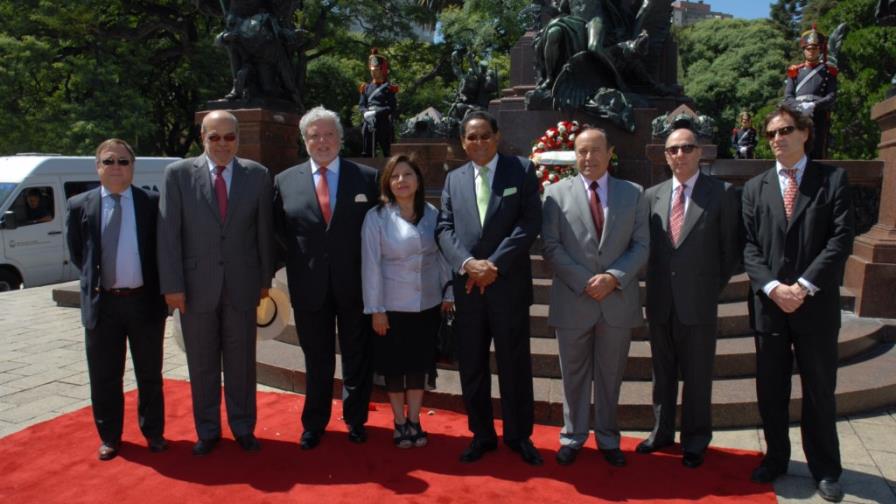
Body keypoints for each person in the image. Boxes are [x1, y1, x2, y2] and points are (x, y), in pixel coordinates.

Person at [742, 103, 854, 502]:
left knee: (819, 390)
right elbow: (749, 246)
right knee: (771, 389)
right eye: (771, 133)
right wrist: (774, 287)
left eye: (785, 130)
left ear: (805, 133)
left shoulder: (832, 180)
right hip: (770, 307)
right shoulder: (754, 188)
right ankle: (776, 459)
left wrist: (803, 286)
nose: (778, 138)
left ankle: (825, 469)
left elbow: (840, 240)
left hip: (815, 306)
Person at [157, 110, 275, 456]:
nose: (222, 144)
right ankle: (207, 430)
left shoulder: (258, 175)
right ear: (202, 138)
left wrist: (264, 280)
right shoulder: (178, 175)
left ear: (238, 138)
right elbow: (168, 234)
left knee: (242, 364)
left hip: (242, 286)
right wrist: (172, 285)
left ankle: (243, 427)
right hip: (195, 288)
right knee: (202, 363)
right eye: (214, 137)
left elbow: (264, 234)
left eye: (229, 137)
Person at [435, 110, 543, 466]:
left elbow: (530, 222)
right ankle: (481, 434)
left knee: (514, 364)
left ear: (497, 137)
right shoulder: (453, 179)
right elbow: (444, 228)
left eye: (485, 135)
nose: (478, 142)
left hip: (508, 285)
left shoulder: (521, 170)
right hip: (468, 289)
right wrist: (468, 264)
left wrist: (493, 264)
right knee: (472, 366)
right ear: (462, 142)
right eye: (471, 137)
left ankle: (519, 435)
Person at [541, 126, 648, 467]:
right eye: (582, 152)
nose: (588, 158)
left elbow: (641, 245)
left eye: (595, 150)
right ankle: (572, 436)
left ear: (610, 152)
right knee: (572, 375)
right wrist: (586, 281)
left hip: (617, 301)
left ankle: (607, 437)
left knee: (610, 376)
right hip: (574, 299)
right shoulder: (554, 194)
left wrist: (613, 278)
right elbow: (551, 246)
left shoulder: (634, 193)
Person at [273, 106, 379, 449]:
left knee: (357, 356)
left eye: (329, 134)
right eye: (314, 135)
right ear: (304, 141)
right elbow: (278, 233)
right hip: (308, 286)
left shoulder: (367, 178)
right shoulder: (284, 181)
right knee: (316, 359)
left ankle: (356, 419)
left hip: (356, 285)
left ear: (340, 138)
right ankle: (314, 423)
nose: (322, 141)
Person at [637, 128, 740, 468]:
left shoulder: (722, 194)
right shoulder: (650, 196)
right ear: (665, 156)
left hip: (699, 302)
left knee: (697, 377)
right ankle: (661, 432)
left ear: (700, 152)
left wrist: (708, 288)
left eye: (686, 148)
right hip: (660, 302)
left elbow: (730, 252)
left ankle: (695, 440)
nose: (679, 154)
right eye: (673, 149)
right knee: (662, 374)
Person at [64, 139, 168, 460]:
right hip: (103, 304)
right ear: (97, 166)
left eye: (123, 161)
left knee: (149, 374)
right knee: (105, 376)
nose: (116, 167)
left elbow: (160, 250)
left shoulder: (151, 202)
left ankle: (153, 432)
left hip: (143, 302)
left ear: (133, 167)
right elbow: (79, 253)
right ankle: (110, 436)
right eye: (109, 161)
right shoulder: (79, 205)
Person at [360, 155, 453, 448]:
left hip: (427, 305)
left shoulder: (432, 213)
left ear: (418, 180)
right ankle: (399, 421)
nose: (402, 181)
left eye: (408, 174)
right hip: (392, 306)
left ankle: (414, 419)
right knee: (394, 367)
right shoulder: (376, 217)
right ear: (387, 183)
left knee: (418, 366)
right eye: (395, 176)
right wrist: (376, 309)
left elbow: (442, 256)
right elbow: (370, 265)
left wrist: (448, 292)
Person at [784, 25, 837, 159]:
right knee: (796, 151)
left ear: (820, 50)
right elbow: (788, 97)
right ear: (804, 50)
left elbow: (831, 96)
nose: (811, 52)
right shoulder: (795, 71)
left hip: (818, 115)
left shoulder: (828, 71)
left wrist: (813, 105)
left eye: (814, 49)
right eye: (808, 49)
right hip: (797, 115)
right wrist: (799, 106)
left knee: (817, 150)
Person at [359, 49, 398, 157]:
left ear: (382, 70)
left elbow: (391, 107)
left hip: (383, 122)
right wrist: (365, 113)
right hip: (369, 121)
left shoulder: (389, 88)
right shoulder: (365, 87)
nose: (373, 72)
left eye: (376, 69)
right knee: (367, 152)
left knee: (388, 152)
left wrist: (376, 113)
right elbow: (362, 105)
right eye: (372, 70)